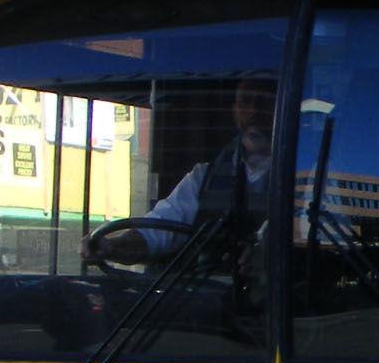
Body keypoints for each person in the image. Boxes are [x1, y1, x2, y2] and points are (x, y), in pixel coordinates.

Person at [110, 74, 277, 265]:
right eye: (246, 101)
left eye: (265, 101)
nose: (254, 110)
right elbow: (158, 231)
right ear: (235, 111)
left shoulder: (305, 176)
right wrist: (111, 247)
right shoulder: (204, 177)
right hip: (212, 289)